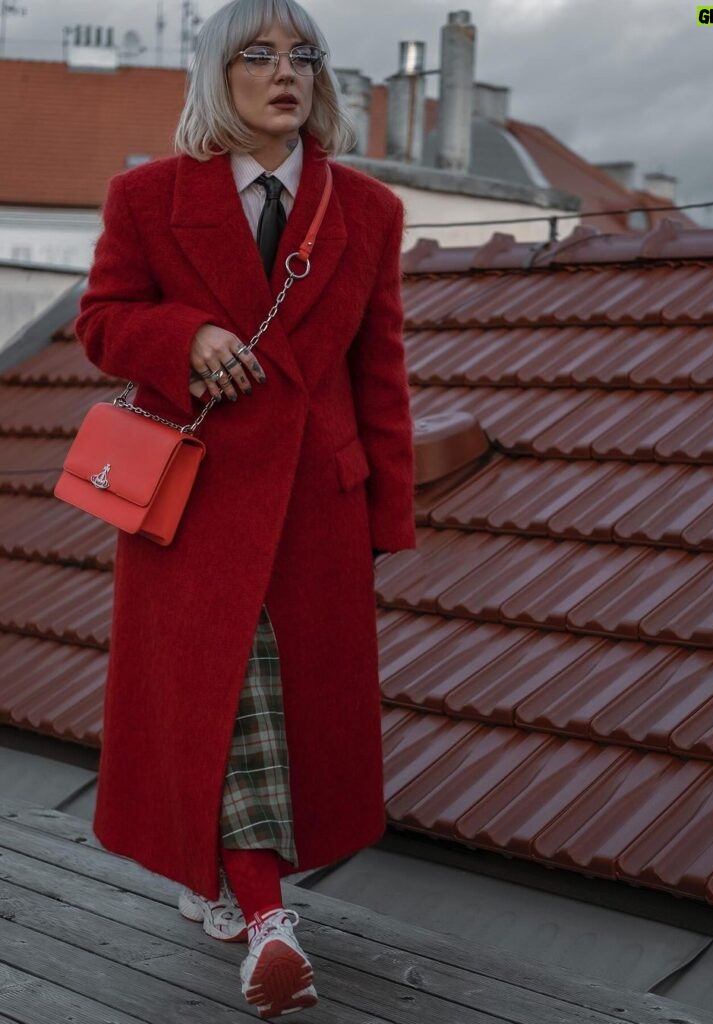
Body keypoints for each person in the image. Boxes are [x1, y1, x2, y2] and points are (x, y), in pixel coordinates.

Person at [75, 0, 417, 1016]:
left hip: (315, 511)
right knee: (226, 700)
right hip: (192, 505)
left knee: (261, 709)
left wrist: (383, 518)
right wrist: (182, 339)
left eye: (303, 55)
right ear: (216, 75)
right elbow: (101, 321)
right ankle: (271, 922)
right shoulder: (144, 197)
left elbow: (381, 375)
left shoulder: (368, 210)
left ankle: (222, 874)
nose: (287, 72)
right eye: (259, 54)